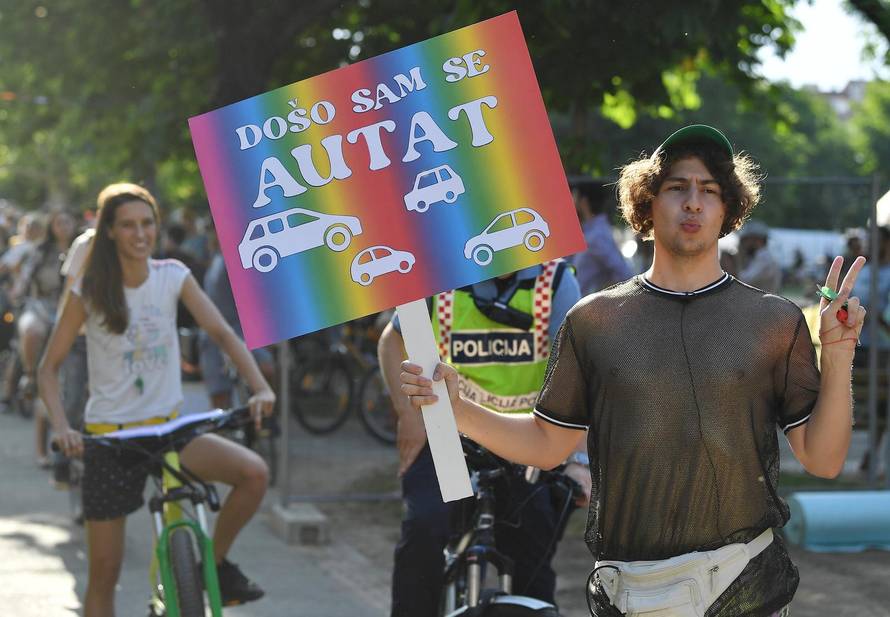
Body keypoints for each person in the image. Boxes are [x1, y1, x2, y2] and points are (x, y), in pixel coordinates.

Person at [399, 125, 866, 617]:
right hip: (634, 592)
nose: (693, 203)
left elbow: (824, 459)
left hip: (744, 583)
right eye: (676, 188)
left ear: (728, 209)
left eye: (709, 190)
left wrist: (838, 359)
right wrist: (459, 411)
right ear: (646, 203)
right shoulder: (594, 320)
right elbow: (547, 443)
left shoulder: (774, 322)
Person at [38, 183, 276, 617]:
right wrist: (62, 426)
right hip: (110, 439)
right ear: (109, 231)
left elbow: (222, 332)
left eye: (147, 223)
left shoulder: (173, 276)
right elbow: (47, 368)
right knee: (104, 574)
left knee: (253, 473)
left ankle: (214, 564)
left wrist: (259, 385)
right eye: (128, 225)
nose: (140, 233)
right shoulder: (88, 290)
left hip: (170, 430)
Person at [380, 260, 589, 617]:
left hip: (526, 443)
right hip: (450, 440)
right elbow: (393, 340)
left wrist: (578, 461)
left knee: (534, 555)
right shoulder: (436, 273)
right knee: (425, 532)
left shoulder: (555, 281)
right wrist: (408, 417)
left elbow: (578, 375)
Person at [14, 209, 76, 467]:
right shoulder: (39, 253)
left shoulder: (84, 249)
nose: (63, 226)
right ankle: (29, 374)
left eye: (66, 220)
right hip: (41, 310)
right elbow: (24, 283)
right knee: (32, 333)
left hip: (74, 318)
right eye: (58, 221)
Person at [570, 179, 633, 295]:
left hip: (585, 309)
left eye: (574, 197)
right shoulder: (593, 232)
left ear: (583, 202)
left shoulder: (597, 236)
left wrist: (601, 297)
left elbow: (624, 274)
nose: (571, 201)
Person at [736, 218, 782, 294]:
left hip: (761, 303)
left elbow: (744, 279)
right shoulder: (760, 256)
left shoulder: (764, 257)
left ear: (756, 239)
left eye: (746, 240)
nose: (743, 244)